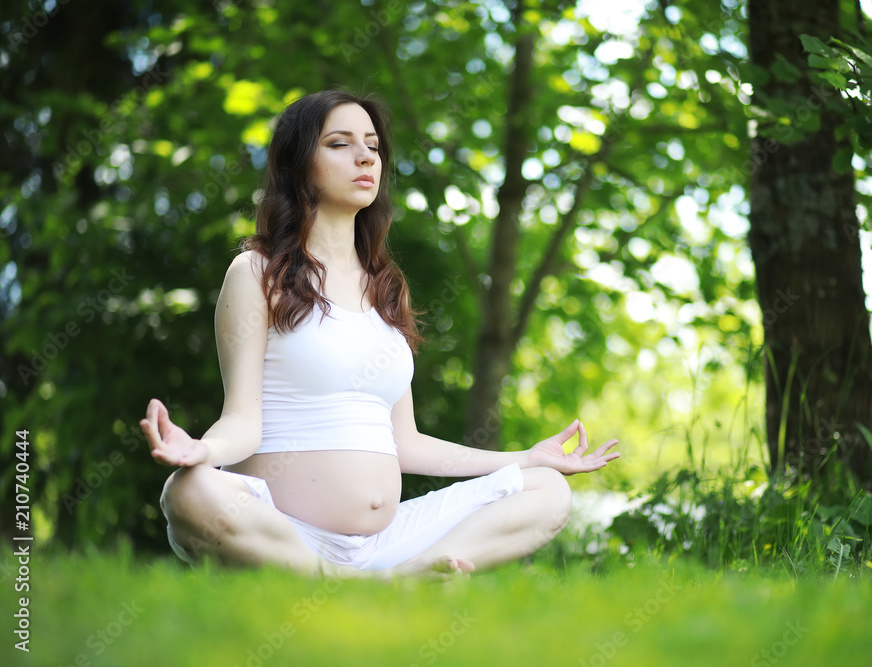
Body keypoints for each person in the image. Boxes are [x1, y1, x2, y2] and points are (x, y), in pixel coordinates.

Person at [140, 89, 620, 578]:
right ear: (297, 162)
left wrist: (524, 457)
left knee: (546, 488)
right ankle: (349, 583)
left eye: (371, 144)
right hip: (283, 533)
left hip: (385, 540)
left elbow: (405, 443)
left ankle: (399, 574)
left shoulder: (386, 288)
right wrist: (200, 451)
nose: (366, 155)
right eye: (339, 143)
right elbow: (242, 420)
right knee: (187, 491)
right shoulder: (256, 272)